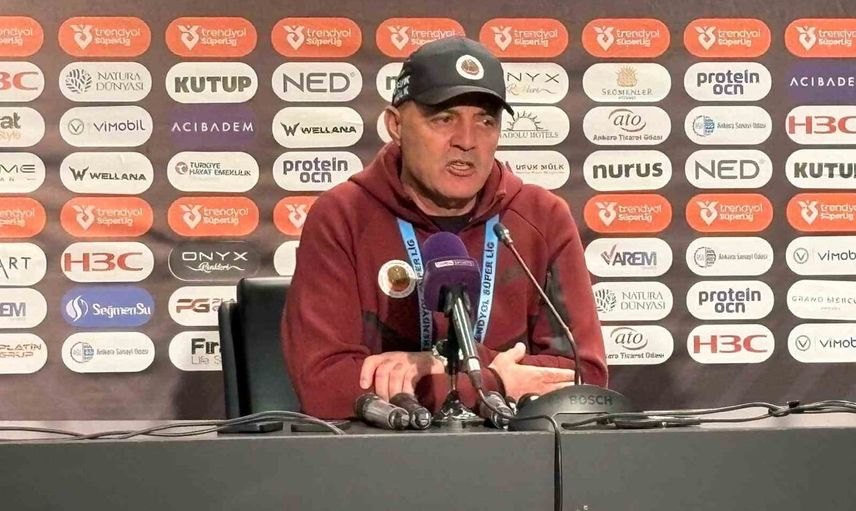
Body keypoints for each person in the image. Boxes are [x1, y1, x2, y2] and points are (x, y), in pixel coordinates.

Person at [282, 36, 606, 419]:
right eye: (444, 119)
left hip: (514, 451)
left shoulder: (543, 217)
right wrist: (492, 381)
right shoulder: (341, 217)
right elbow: (322, 385)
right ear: (396, 125)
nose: (467, 141)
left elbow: (585, 379)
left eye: (485, 121)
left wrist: (439, 365)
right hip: (380, 450)